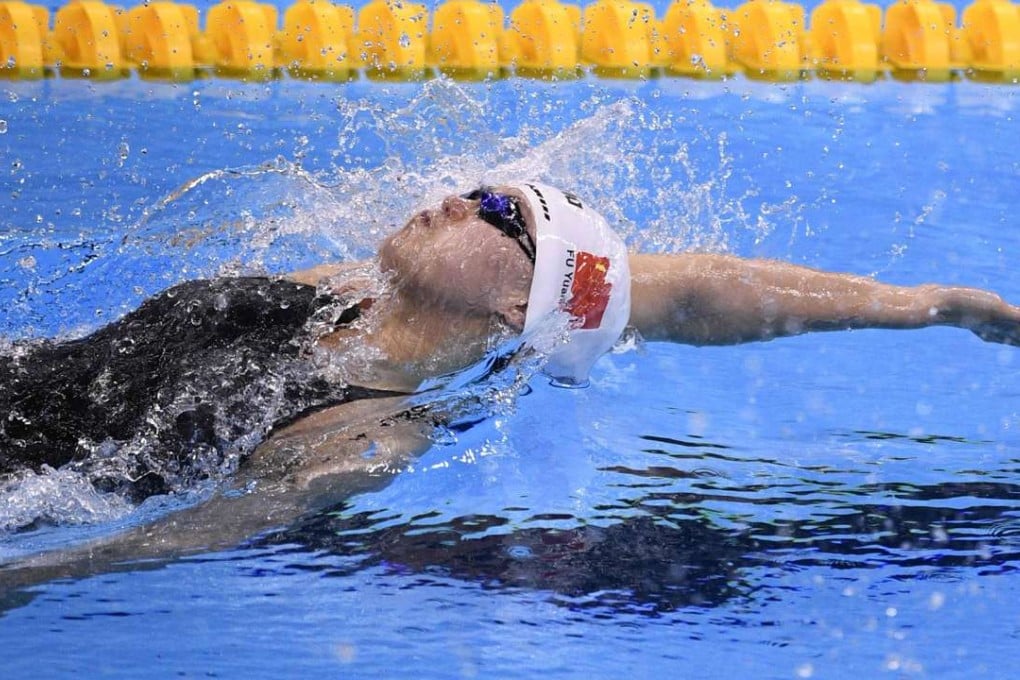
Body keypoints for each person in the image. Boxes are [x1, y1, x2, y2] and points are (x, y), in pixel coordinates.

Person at [2, 181, 1019, 507]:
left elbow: (165, 541)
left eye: (494, 210)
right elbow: (687, 289)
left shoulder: (363, 438)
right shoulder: (341, 294)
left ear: (512, 307)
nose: (455, 196)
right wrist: (920, 302)